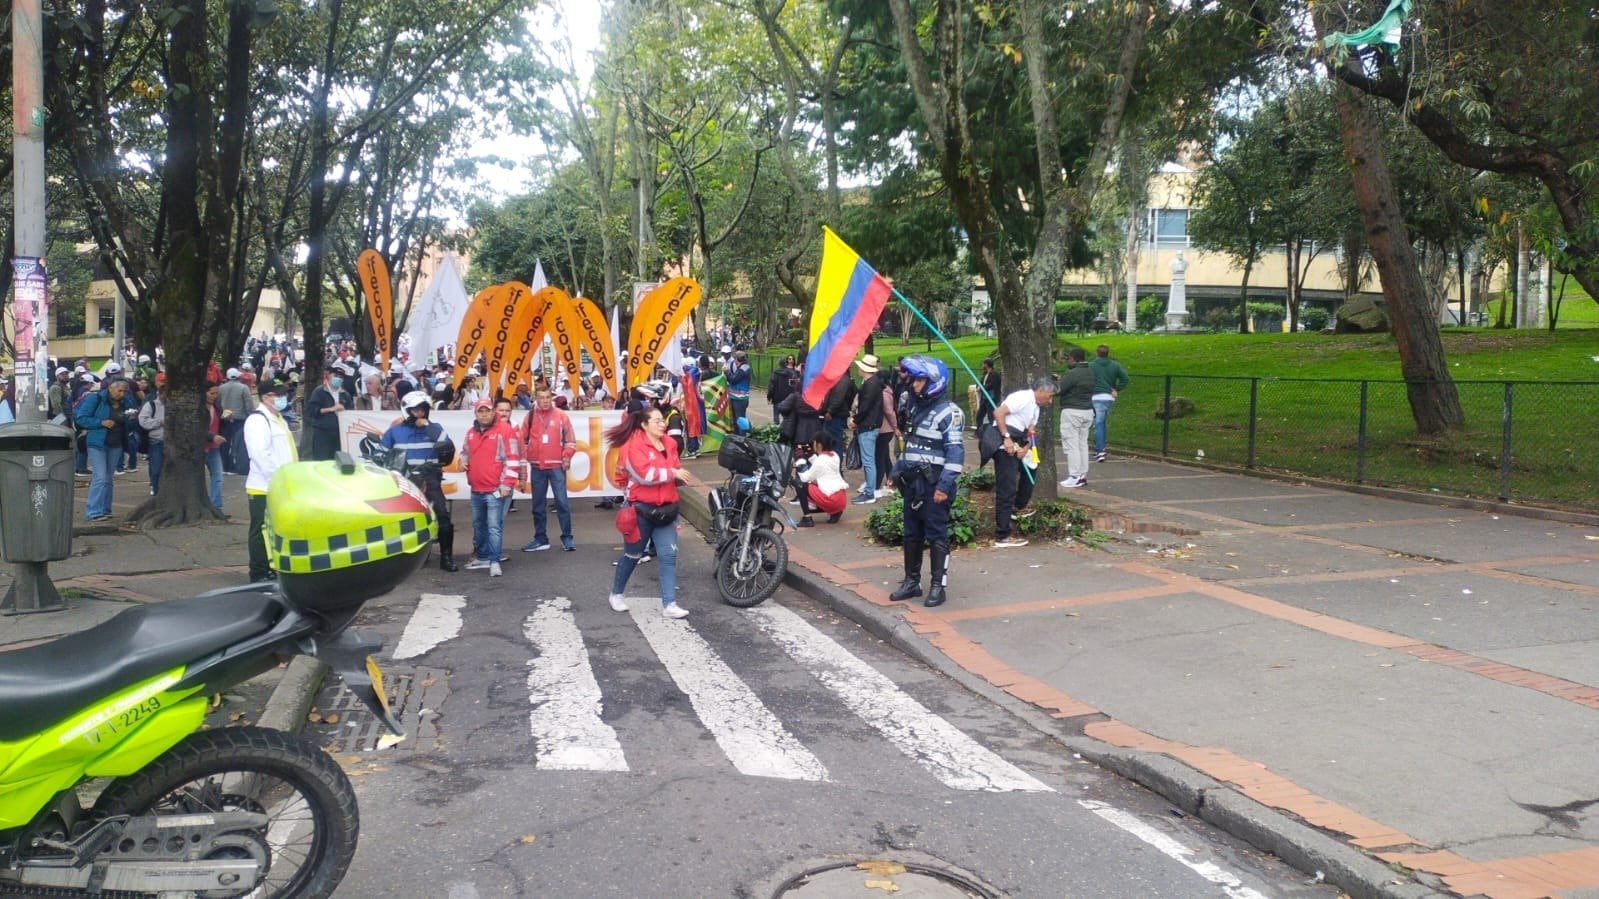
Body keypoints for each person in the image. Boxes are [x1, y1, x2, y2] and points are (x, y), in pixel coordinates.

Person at [885, 356, 963, 608]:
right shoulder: (916, 407)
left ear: (934, 382)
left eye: (919, 380)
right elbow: (911, 446)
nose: (914, 385)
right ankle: (912, 582)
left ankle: (938, 586)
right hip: (912, 483)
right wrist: (896, 472)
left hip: (934, 484)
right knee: (911, 534)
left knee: (937, 534)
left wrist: (944, 485)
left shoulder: (950, 413)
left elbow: (955, 453)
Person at [607, 405, 688, 618]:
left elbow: (675, 471)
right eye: (658, 421)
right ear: (644, 424)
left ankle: (669, 604)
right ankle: (616, 594)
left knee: (669, 555)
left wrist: (676, 475)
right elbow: (645, 475)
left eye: (663, 421)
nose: (663, 425)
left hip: (667, 509)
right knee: (633, 554)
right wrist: (673, 472)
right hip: (641, 510)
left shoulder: (670, 444)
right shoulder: (633, 446)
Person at [382, 391, 459, 571]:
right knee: (405, 519)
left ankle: (446, 558)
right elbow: (381, 453)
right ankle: (410, 557)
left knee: (442, 515)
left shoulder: (435, 428)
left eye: (423, 409)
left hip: (430, 478)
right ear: (407, 411)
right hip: (405, 480)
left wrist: (428, 427)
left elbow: (447, 446)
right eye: (416, 410)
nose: (420, 413)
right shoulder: (394, 431)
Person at [990, 377, 1056, 548]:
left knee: (1031, 469)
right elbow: (998, 413)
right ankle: (1002, 535)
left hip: (1019, 442)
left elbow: (1031, 431)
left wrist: (1026, 447)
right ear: (1040, 390)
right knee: (1007, 487)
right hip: (1004, 442)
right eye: (1049, 396)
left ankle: (1016, 507)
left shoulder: (1036, 407)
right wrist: (1007, 439)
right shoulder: (1022, 398)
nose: (1050, 401)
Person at [244, 379, 297, 582]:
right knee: (260, 531)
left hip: (282, 484)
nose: (283, 398)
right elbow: (260, 454)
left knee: (274, 530)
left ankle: (272, 566)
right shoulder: (258, 420)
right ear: (266, 397)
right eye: (278, 395)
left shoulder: (278, 418)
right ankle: (258, 572)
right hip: (265, 486)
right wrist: (277, 479)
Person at [461, 399, 521, 577]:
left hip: (495, 489)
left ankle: (495, 561)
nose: (484, 414)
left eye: (487, 411)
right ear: (476, 414)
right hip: (476, 489)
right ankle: (483, 556)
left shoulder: (505, 430)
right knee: (479, 525)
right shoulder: (471, 433)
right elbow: (464, 453)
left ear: (492, 412)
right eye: (481, 411)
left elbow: (513, 459)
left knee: (494, 526)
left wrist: (506, 484)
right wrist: (462, 462)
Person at [519, 386, 577, 552]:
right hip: (537, 466)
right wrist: (525, 460)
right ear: (536, 398)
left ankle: (567, 537)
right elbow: (522, 440)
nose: (544, 400)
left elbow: (570, 440)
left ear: (551, 397)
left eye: (547, 397)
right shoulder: (530, 416)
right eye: (541, 397)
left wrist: (566, 457)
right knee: (537, 505)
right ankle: (540, 538)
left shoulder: (561, 415)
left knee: (562, 503)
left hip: (557, 466)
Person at [74, 376, 133, 521]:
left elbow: (127, 422)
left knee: (108, 478)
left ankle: (105, 509)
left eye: (125, 391)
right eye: (120, 391)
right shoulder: (95, 399)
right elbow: (81, 418)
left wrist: (130, 418)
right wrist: (101, 422)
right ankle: (93, 511)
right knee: (100, 477)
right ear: (111, 388)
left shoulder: (125, 402)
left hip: (116, 443)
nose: (122, 394)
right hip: (97, 443)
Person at [849, 354, 890, 504]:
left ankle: (869, 492)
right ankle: (869, 491)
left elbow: (865, 407)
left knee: (868, 461)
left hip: (868, 425)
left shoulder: (870, 384)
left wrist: (855, 420)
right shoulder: (874, 383)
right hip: (870, 425)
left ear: (864, 369)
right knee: (869, 460)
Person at [1057, 347, 1095, 490]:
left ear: (1073, 358)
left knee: (1071, 445)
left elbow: (1059, 390)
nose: (1068, 361)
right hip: (1087, 411)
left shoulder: (1072, 373)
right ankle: (1082, 475)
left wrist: (1057, 382)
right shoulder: (1090, 372)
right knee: (1082, 444)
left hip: (1072, 411)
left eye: (1069, 358)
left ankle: (1074, 476)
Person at [794, 430, 848, 527]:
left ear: (819, 444)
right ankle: (835, 513)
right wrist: (810, 455)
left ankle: (807, 518)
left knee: (800, 483)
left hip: (831, 500)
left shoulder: (821, 460)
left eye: (814, 442)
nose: (812, 444)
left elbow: (805, 478)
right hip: (841, 500)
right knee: (814, 482)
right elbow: (821, 466)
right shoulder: (834, 455)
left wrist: (800, 460)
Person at [1088, 344, 1130, 462]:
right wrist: (1117, 388)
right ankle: (1100, 449)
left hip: (1096, 396)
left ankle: (1100, 451)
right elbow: (1125, 378)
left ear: (1097, 353)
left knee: (1098, 424)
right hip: (1109, 397)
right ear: (1108, 353)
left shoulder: (1091, 366)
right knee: (1102, 423)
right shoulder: (1115, 365)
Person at [307, 361, 354, 460]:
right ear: (328, 376)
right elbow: (312, 411)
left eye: (341, 377)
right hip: (323, 433)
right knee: (322, 460)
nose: (338, 378)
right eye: (336, 375)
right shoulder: (319, 391)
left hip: (340, 434)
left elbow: (351, 413)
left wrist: (344, 410)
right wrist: (331, 409)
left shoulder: (345, 394)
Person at [217, 367, 253, 474]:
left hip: (224, 418)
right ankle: (234, 467)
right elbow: (249, 405)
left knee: (224, 443)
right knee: (236, 444)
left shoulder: (221, 388)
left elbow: (218, 403)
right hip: (239, 419)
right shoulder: (243, 388)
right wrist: (250, 415)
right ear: (238, 376)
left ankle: (224, 467)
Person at [137, 375, 166, 496]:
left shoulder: (174, 405)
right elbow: (143, 421)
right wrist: (159, 422)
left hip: (172, 442)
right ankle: (156, 490)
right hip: (156, 440)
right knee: (156, 469)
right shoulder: (151, 404)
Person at [203, 383, 227, 510]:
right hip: (201, 447)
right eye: (211, 393)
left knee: (218, 477)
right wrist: (212, 437)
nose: (214, 396)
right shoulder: (198, 409)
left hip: (214, 448)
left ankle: (216, 506)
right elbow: (197, 428)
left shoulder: (216, 407)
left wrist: (226, 419)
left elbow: (219, 425)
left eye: (216, 393)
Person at [766, 355, 797, 425]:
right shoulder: (792, 373)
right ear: (786, 363)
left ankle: (776, 432)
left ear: (779, 364)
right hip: (788, 399)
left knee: (776, 418)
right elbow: (794, 387)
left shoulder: (775, 373)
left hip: (777, 399)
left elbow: (771, 386)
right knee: (787, 419)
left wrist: (769, 397)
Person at [725, 350, 751, 425]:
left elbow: (733, 380)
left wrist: (727, 372)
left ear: (737, 359)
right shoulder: (740, 367)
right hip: (735, 397)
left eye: (735, 359)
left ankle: (742, 435)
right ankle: (737, 435)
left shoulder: (743, 369)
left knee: (740, 419)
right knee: (735, 419)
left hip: (740, 399)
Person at [976, 358, 1002, 434]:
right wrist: (978, 386)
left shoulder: (995, 375)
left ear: (987, 365)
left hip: (991, 398)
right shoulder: (985, 374)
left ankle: (993, 432)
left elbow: (992, 385)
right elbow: (980, 382)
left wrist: (982, 388)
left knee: (991, 416)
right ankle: (979, 431)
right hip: (984, 398)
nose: (983, 365)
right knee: (980, 415)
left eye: (984, 364)